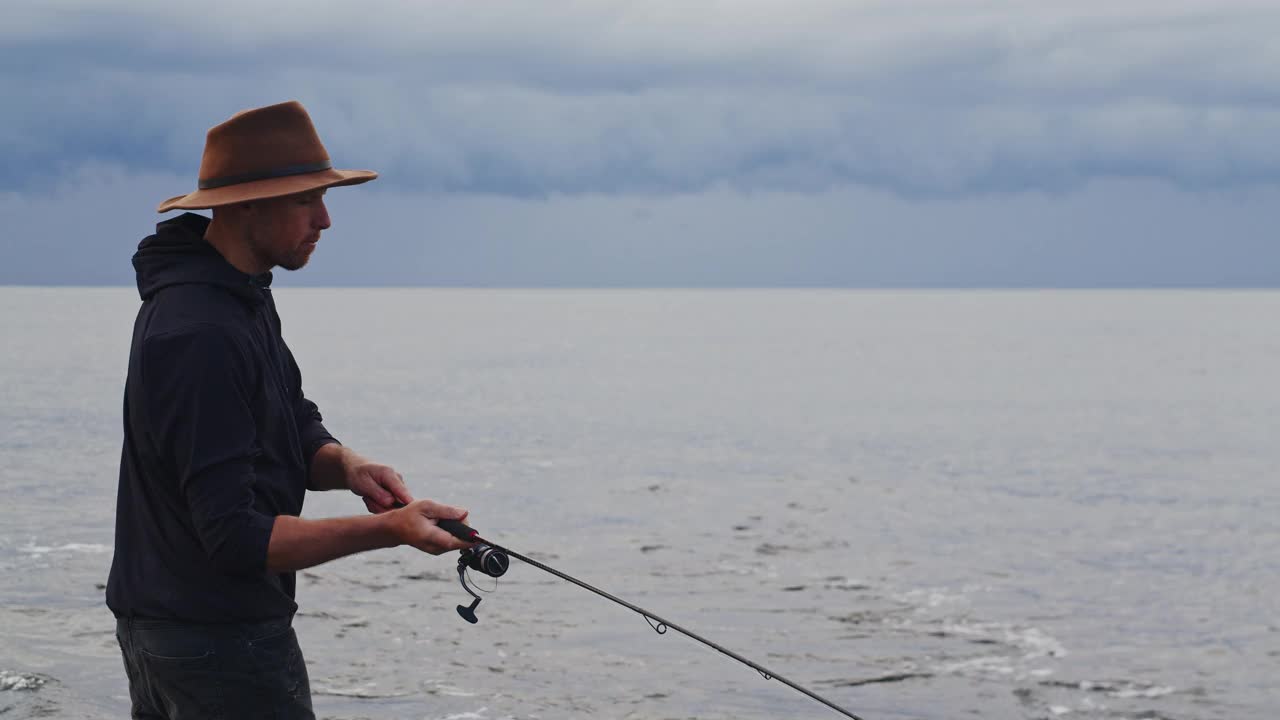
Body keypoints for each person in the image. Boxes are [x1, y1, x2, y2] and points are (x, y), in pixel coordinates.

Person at [105, 100, 471, 719]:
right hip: (213, 642)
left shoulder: (238, 298)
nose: (325, 219)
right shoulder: (200, 331)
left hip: (184, 627)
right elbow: (234, 538)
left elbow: (288, 421)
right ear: (247, 203)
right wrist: (389, 531)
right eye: (306, 200)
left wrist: (347, 465)